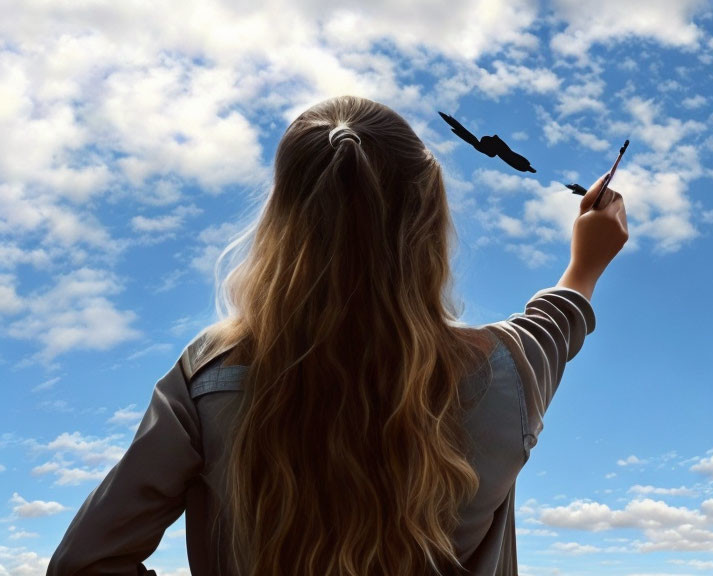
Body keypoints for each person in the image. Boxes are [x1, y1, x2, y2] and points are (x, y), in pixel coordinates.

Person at [46, 95, 629, 576]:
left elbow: (86, 564)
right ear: (429, 221)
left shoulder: (208, 372)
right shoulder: (510, 369)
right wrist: (586, 265)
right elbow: (559, 319)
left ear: (283, 222)